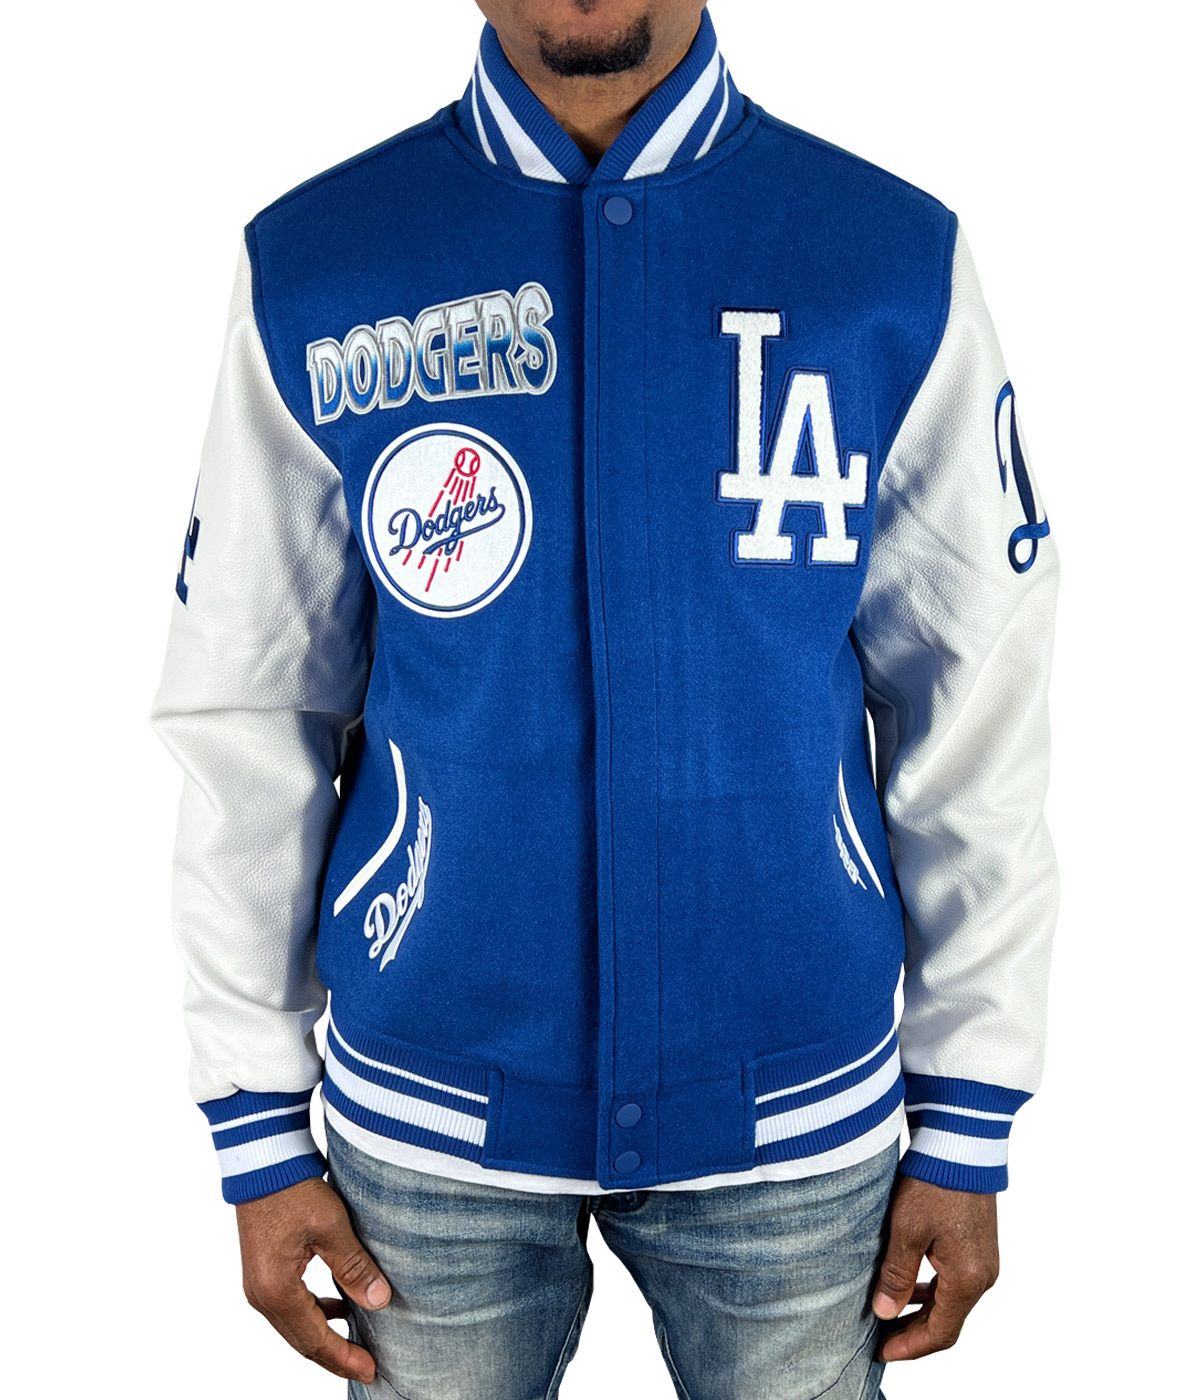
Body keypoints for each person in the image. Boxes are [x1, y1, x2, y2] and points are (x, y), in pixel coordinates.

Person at [149, 2, 1060, 1397]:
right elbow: (249, 711)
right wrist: (254, 1123)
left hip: (797, 1108)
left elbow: (974, 704)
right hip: (427, 1116)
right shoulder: (322, 263)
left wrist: (969, 1105)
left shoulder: (887, 259)